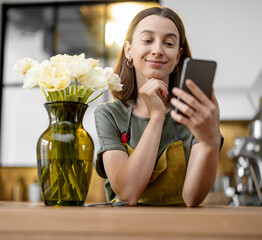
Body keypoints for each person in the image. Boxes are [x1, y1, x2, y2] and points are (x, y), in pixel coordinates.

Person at [94, 7, 222, 207]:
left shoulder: (195, 112)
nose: (158, 50)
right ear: (129, 50)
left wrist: (210, 143)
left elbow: (192, 198)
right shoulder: (109, 114)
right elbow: (128, 193)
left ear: (178, 56)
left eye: (168, 43)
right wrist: (157, 116)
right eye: (147, 40)